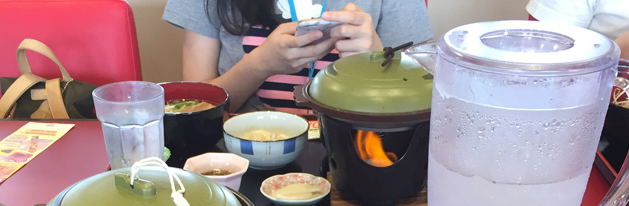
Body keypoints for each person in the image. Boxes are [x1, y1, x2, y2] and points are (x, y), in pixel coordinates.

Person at [163, 0, 434, 112]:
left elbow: (427, 101)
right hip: (242, 158)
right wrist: (259, 65)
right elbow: (194, 108)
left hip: (356, 151)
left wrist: (375, 59)